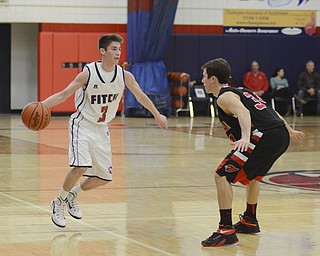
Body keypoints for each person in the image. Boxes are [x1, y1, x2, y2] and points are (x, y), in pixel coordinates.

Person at [40, 34, 168, 228]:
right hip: (82, 124)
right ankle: (58, 202)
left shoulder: (124, 75)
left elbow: (141, 96)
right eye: (113, 49)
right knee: (81, 167)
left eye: (119, 49)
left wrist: (157, 115)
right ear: (102, 51)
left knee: (104, 177)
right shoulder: (88, 74)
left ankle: (73, 194)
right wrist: (41, 105)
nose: (117, 53)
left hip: (101, 129)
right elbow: (64, 94)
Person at [200, 58, 305, 247]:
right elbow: (270, 111)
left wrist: (246, 137)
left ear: (213, 79)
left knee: (221, 175)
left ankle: (225, 230)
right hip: (279, 134)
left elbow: (244, 113)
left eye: (204, 76)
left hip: (263, 135)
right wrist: (289, 130)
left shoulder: (224, 96)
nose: (202, 80)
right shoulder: (243, 90)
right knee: (255, 176)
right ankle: (249, 220)